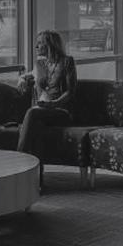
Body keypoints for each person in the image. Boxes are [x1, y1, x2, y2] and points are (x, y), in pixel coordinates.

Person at [17, 30, 77, 160]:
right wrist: (21, 79)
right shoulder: (40, 64)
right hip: (41, 110)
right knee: (37, 127)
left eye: (40, 43)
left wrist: (53, 104)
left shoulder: (67, 62)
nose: (36, 46)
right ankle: (36, 167)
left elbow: (70, 92)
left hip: (61, 110)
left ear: (50, 44)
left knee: (32, 113)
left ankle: (20, 155)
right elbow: (29, 75)